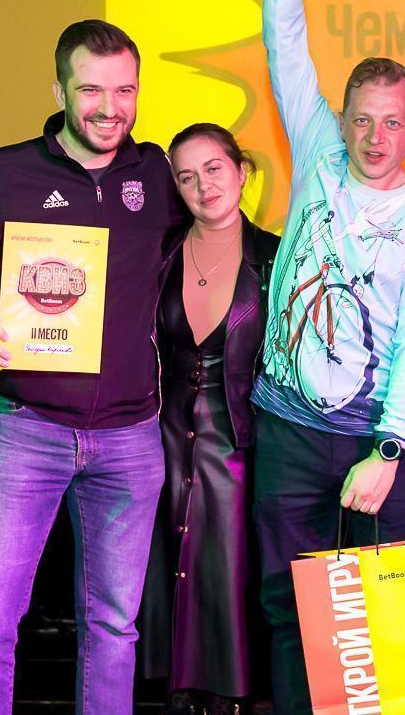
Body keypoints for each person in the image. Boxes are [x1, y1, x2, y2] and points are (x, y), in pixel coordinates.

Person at [0, 20, 184, 715]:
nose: (110, 108)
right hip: (25, 431)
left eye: (125, 90)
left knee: (115, 628)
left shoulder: (157, 175)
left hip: (132, 437)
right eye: (91, 90)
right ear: (58, 90)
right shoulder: (1, 173)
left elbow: (222, 211)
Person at [250, 0, 405, 714]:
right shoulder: (319, 157)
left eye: (392, 122)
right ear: (340, 119)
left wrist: (390, 451)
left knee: (388, 621)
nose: (375, 137)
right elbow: (285, 46)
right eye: (362, 120)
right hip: (288, 431)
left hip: (376, 442)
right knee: (287, 611)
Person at [140, 123, 278, 715]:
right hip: (162, 441)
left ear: (242, 172)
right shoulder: (159, 253)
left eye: (214, 169)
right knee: (165, 566)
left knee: (231, 569)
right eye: (187, 177)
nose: (204, 186)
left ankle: (232, 693)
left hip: (245, 445)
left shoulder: (277, 256)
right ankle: (175, 689)